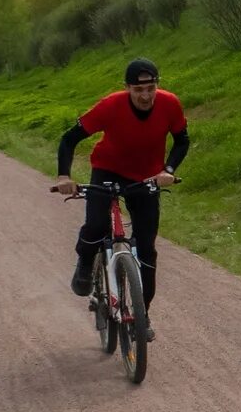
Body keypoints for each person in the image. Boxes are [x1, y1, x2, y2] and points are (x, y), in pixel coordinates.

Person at [51, 58, 188, 308]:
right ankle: (85, 262)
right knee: (97, 224)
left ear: (157, 85)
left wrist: (168, 170)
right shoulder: (111, 106)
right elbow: (69, 139)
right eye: (138, 90)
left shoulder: (170, 104)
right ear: (127, 88)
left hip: (147, 177)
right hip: (108, 170)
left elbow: (182, 141)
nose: (146, 96)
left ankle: (142, 315)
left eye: (151, 89)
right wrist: (63, 177)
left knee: (146, 248)